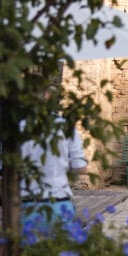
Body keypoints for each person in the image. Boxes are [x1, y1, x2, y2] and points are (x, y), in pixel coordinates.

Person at [19, 97, 89, 229]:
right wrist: (59, 166)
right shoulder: (67, 128)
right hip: (59, 200)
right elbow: (81, 168)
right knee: (62, 248)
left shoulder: (17, 130)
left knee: (30, 248)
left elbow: (5, 172)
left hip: (29, 203)